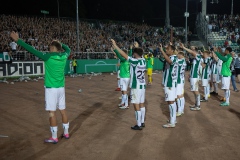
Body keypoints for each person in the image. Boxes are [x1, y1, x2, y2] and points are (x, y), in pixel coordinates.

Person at [10, 31, 70, 144]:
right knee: (63, 111)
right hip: (61, 88)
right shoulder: (64, 56)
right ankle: (66, 133)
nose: (48, 49)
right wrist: (61, 44)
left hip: (51, 89)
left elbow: (32, 50)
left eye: (50, 47)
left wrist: (18, 41)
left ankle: (54, 137)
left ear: (52, 47)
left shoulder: (47, 57)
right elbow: (68, 50)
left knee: (52, 113)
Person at [111, 39, 146, 130]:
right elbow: (137, 54)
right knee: (142, 104)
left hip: (136, 86)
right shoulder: (143, 61)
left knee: (136, 105)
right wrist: (136, 47)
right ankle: (142, 122)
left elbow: (124, 55)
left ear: (135, 54)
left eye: (134, 53)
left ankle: (138, 124)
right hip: (142, 85)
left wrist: (116, 46)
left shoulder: (135, 62)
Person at [160, 43, 178, 128]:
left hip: (170, 83)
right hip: (170, 82)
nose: (166, 50)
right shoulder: (174, 57)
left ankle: (172, 122)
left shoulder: (173, 58)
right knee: (171, 101)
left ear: (172, 51)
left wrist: (162, 51)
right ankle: (173, 119)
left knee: (170, 102)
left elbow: (170, 62)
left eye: (168, 49)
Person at [180, 44, 202, 111]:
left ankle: (198, 105)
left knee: (195, 91)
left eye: (193, 47)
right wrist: (190, 75)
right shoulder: (195, 58)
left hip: (195, 76)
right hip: (193, 76)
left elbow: (192, 52)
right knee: (194, 90)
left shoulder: (198, 56)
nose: (191, 48)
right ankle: (196, 104)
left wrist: (184, 47)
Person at [176, 51, 186, 117]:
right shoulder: (183, 61)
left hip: (179, 80)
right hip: (181, 79)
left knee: (178, 96)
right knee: (181, 95)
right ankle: (181, 110)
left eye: (178, 55)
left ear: (180, 55)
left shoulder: (180, 61)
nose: (177, 56)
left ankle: (179, 111)